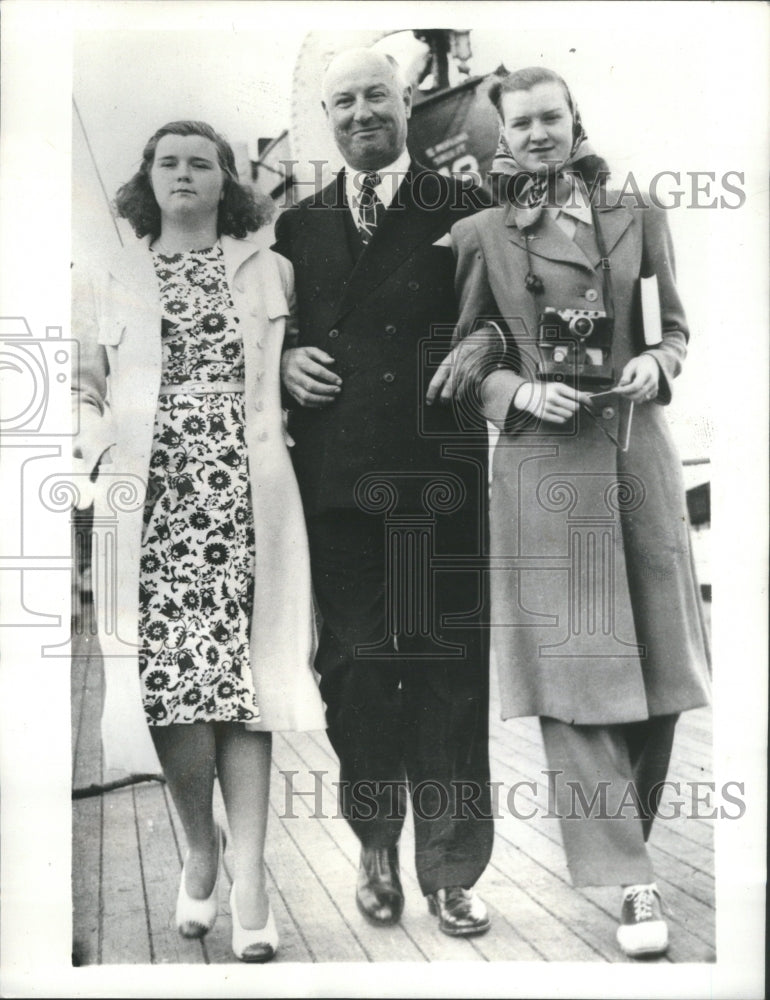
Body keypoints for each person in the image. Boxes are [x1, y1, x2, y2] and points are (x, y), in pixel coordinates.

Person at [428, 66, 711, 958]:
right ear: (501, 138)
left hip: (637, 455)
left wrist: (658, 366)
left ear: (573, 121)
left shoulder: (638, 214)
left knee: (664, 682)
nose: (539, 133)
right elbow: (458, 361)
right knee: (581, 685)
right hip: (546, 469)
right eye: (521, 123)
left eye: (552, 117)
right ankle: (630, 881)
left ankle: (627, 851)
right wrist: (517, 391)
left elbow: (673, 329)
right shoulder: (480, 234)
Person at [71, 120, 326, 963]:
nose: (184, 174)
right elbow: (79, 384)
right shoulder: (106, 273)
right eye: (167, 162)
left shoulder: (270, 269)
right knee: (172, 682)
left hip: (245, 495)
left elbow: (293, 362)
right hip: (152, 502)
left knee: (244, 680)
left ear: (227, 181)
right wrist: (96, 451)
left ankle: (248, 875)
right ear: (148, 179)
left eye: (201, 162)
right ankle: (202, 847)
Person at [273, 49, 494, 936]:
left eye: (377, 96)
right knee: (357, 672)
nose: (362, 112)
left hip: (437, 477)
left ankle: (449, 870)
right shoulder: (298, 226)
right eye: (344, 102)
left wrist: (492, 347)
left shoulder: (464, 208)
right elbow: (264, 332)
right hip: (339, 483)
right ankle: (375, 844)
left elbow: (515, 317)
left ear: (406, 105)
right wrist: (284, 362)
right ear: (326, 119)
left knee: (445, 670)